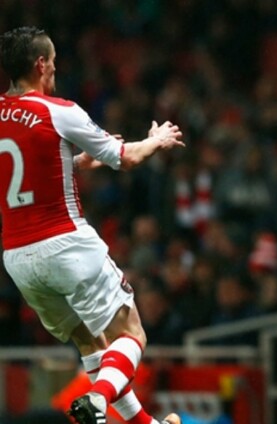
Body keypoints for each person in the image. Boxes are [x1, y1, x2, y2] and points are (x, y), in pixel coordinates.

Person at [0, 27, 185, 424]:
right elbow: (127, 157)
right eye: (53, 61)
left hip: (17, 257)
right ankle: (98, 400)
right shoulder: (58, 111)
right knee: (131, 335)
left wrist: (73, 163)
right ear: (40, 64)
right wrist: (157, 139)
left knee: (91, 342)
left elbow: (17, 171)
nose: (56, 68)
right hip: (66, 243)